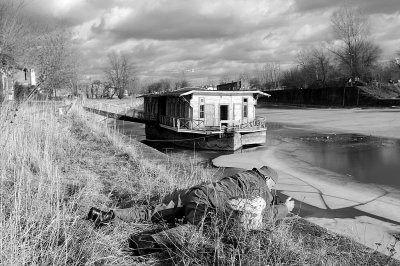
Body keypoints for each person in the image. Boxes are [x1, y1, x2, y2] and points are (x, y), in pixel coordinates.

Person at [87, 166, 295, 255]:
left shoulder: (243, 174)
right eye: (272, 185)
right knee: (201, 229)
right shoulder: (261, 190)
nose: (271, 189)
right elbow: (262, 216)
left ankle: (108, 216)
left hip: (196, 192)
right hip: (207, 204)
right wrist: (284, 208)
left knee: (153, 211)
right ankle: (147, 242)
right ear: (267, 180)